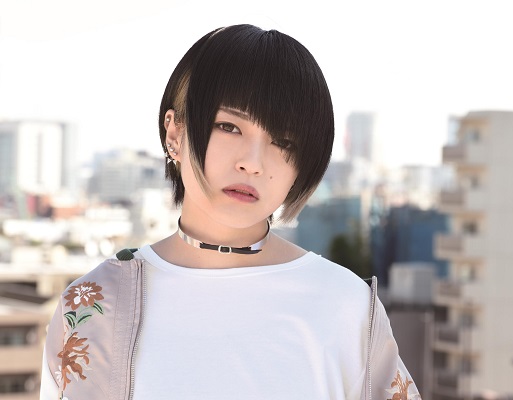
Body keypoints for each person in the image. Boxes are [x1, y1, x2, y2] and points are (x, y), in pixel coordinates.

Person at [40, 24, 421, 400]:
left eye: (283, 141)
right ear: (174, 133)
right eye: (228, 126)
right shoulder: (96, 304)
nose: (252, 163)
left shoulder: (346, 305)